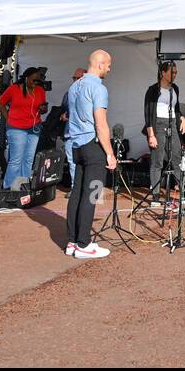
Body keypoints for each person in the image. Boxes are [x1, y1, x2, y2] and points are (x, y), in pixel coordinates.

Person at [64, 49, 116, 258]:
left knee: (77, 192)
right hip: (92, 145)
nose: (110, 69)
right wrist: (110, 153)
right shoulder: (98, 88)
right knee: (93, 194)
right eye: (109, 65)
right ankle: (84, 243)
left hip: (76, 144)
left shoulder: (74, 86)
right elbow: (100, 123)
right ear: (100, 64)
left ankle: (72, 241)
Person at [144, 61, 185, 197]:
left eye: (175, 72)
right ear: (163, 73)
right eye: (171, 72)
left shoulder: (175, 88)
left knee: (177, 157)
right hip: (158, 124)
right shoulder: (153, 89)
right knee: (157, 160)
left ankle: (183, 192)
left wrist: (182, 117)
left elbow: (176, 108)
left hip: (172, 123)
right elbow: (148, 113)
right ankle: (156, 194)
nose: (174, 75)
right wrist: (151, 134)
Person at [0, 67, 47, 189]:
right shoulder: (14, 89)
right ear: (26, 78)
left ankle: (23, 186)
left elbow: (42, 107)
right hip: (16, 128)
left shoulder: (40, 90)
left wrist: (43, 109)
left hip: (34, 127)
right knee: (16, 159)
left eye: (37, 81)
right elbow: (1, 103)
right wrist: (8, 117)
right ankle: (9, 188)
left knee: (29, 159)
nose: (35, 83)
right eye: (33, 80)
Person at [60, 66, 87, 184]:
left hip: (85, 134)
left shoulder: (90, 93)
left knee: (86, 162)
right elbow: (63, 110)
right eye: (74, 78)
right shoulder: (68, 93)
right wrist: (62, 116)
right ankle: (74, 187)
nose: (75, 80)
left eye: (78, 78)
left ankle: (84, 188)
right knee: (72, 161)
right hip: (70, 133)